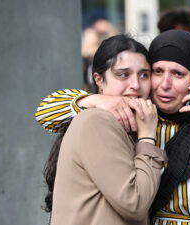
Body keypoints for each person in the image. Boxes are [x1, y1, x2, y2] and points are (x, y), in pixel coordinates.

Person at [35, 30, 190, 224]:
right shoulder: (140, 114)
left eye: (178, 74)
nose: (165, 84)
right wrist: (95, 100)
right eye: (157, 72)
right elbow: (45, 113)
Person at [38, 35, 167, 225]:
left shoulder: (135, 119)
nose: (135, 85)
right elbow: (135, 204)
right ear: (98, 79)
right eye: (123, 74)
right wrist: (147, 137)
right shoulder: (97, 120)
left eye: (144, 75)